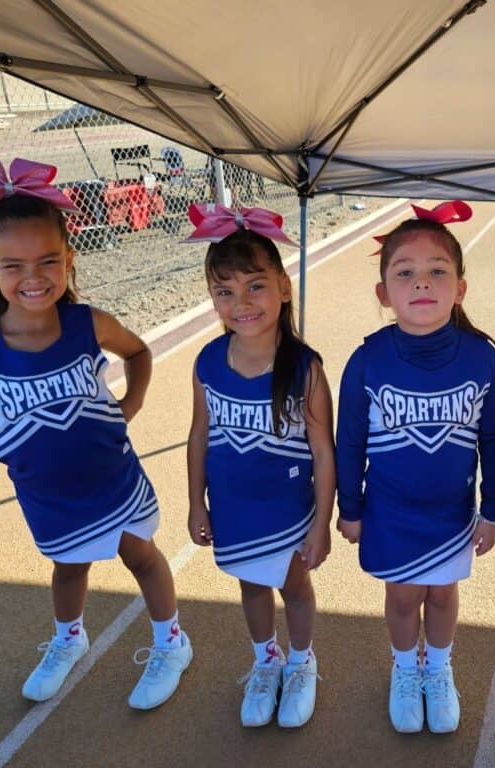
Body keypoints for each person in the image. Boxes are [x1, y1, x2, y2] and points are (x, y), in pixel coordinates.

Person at [0, 157, 191, 709]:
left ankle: (171, 639)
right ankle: (70, 637)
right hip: (46, 490)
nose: (33, 277)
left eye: (49, 260)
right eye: (14, 264)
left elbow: (138, 351)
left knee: (140, 555)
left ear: (69, 260)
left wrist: (133, 400)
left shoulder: (86, 323)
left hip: (111, 476)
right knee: (68, 565)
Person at [335, 201, 495, 734]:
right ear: (383, 293)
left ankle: (437, 667)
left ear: (460, 286)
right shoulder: (367, 359)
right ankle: (403, 667)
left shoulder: (480, 357)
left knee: (441, 592)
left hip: (452, 513)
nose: (422, 284)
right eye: (405, 273)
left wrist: (494, 507)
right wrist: (351, 508)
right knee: (403, 593)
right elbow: (349, 442)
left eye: (438, 271)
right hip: (390, 512)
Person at [184, 203, 335, 729]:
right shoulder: (207, 361)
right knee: (250, 585)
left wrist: (321, 523)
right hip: (233, 509)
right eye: (224, 291)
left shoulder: (304, 367)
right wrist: (195, 503)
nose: (241, 302)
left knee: (293, 587)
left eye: (255, 286)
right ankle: (266, 660)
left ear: (284, 288)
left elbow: (323, 450)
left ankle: (301, 661)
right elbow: (200, 433)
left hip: (288, 512)